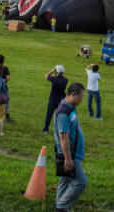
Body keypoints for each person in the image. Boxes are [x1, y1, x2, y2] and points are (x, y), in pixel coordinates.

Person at [55, 82, 87, 211]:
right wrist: (68, 158)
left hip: (74, 153)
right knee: (81, 182)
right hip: (71, 155)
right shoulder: (63, 112)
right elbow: (63, 136)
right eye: (81, 96)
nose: (81, 99)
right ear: (73, 94)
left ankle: (59, 204)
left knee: (66, 180)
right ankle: (62, 206)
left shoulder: (71, 108)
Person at [44, 64, 68, 133]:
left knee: (49, 115)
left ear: (56, 71)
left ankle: (46, 129)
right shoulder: (66, 80)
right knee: (59, 116)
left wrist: (52, 71)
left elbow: (46, 75)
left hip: (52, 99)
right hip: (61, 100)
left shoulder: (54, 79)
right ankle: (59, 130)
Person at [0, 54, 12, 122]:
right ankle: (7, 117)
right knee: (6, 102)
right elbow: (8, 78)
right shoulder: (5, 68)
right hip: (4, 88)